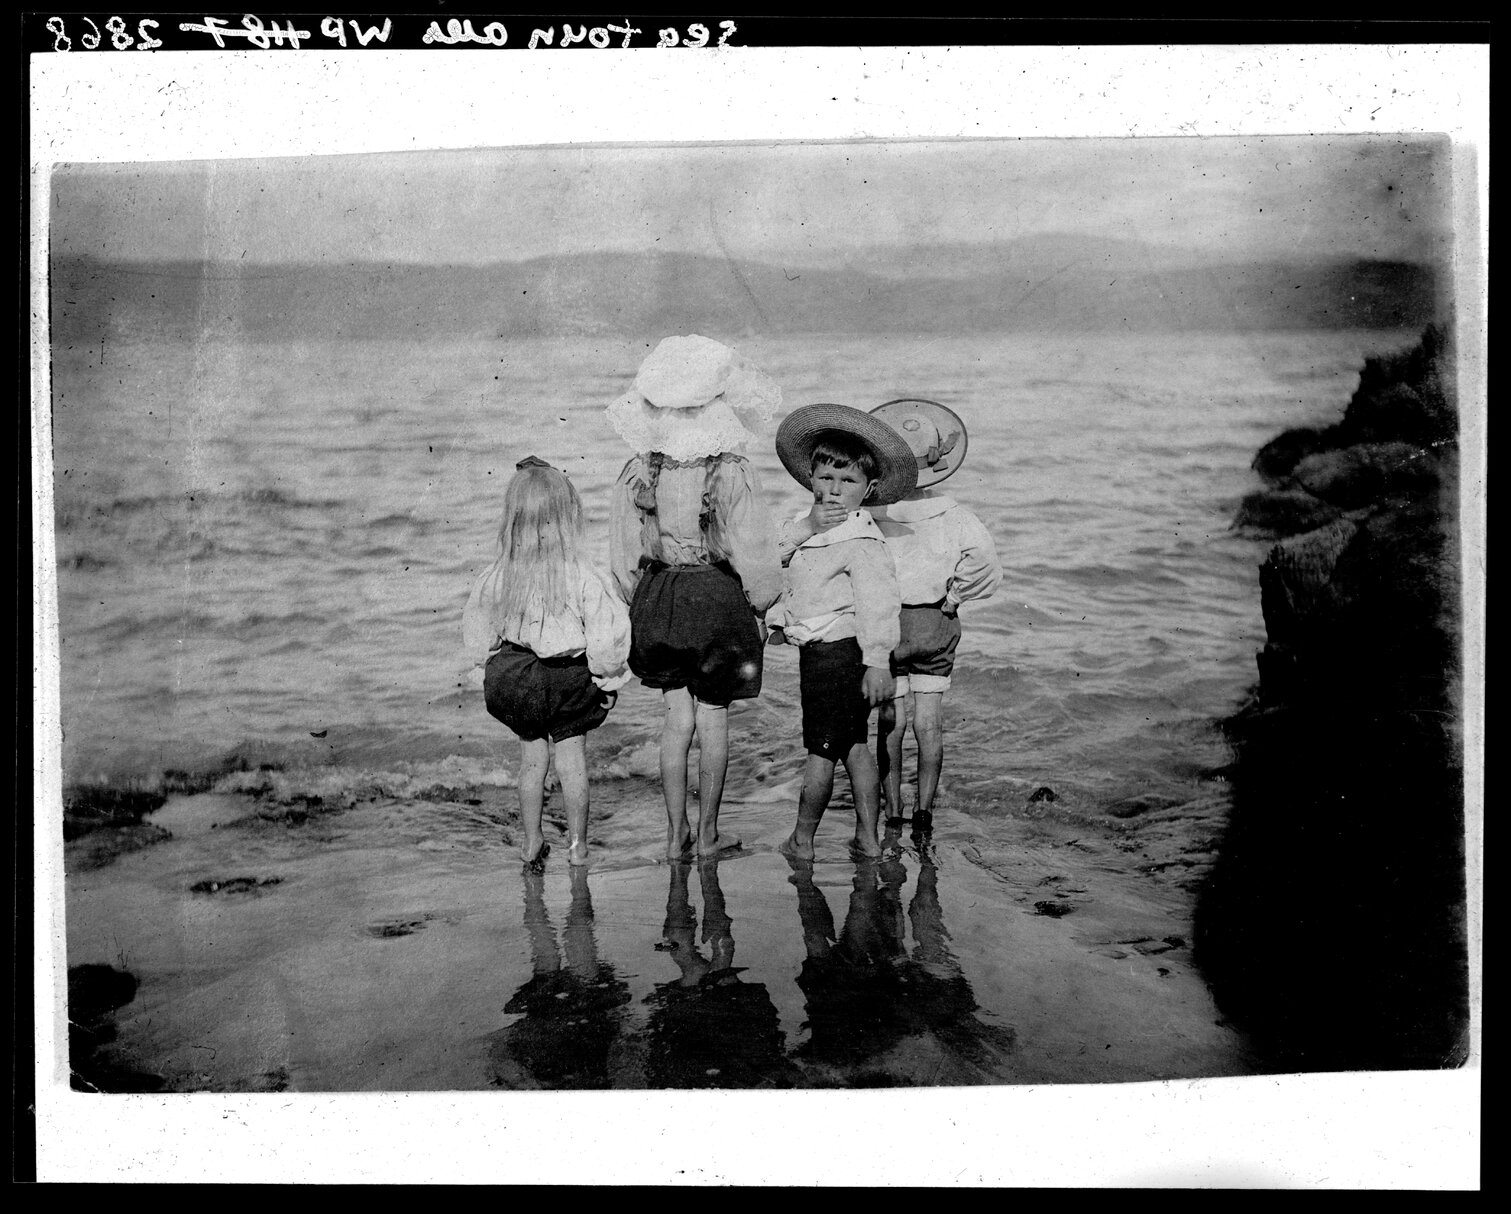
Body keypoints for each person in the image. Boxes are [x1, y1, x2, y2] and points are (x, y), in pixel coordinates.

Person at [608, 335, 784, 861]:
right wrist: (762, 605)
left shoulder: (641, 470)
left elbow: (623, 555)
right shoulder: (728, 470)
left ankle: (673, 833)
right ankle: (707, 833)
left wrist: (637, 603)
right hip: (716, 600)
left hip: (660, 596)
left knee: (675, 720)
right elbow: (754, 554)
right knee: (714, 718)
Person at [463, 456, 631, 868]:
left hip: (515, 676)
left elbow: (478, 630)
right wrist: (607, 683)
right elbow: (606, 637)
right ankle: (578, 847)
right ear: (567, 517)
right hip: (565, 679)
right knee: (572, 765)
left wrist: (483, 669)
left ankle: (532, 841)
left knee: (531, 764)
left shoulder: (499, 574)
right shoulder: (582, 574)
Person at [769, 403, 916, 860]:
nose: (834, 491)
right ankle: (868, 838)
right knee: (853, 746)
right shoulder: (807, 524)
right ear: (809, 476)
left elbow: (879, 605)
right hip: (822, 654)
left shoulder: (863, 539)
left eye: (847, 481)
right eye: (825, 478)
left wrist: (876, 662)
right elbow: (767, 559)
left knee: (821, 750)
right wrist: (805, 528)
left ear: (868, 489)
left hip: (843, 655)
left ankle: (803, 839)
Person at [868, 399, 1002, 831]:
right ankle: (924, 811)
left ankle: (891, 811)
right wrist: (954, 598)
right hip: (935, 623)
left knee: (891, 719)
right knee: (930, 722)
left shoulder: (873, 514)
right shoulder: (953, 513)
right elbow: (985, 563)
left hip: (887, 625)